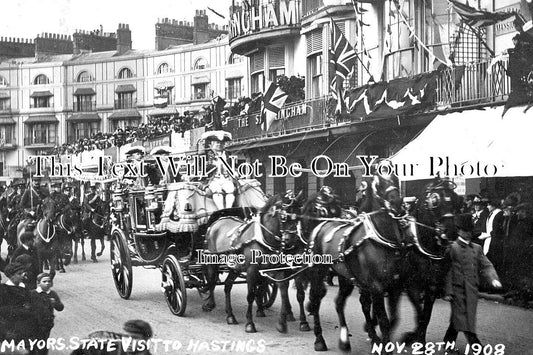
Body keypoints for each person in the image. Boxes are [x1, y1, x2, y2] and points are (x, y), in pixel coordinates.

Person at [443, 214, 502, 352]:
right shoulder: (452, 248)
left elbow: (486, 265)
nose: (469, 233)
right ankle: (477, 347)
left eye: (470, 231)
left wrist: (493, 278)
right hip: (457, 290)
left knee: (460, 319)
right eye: (465, 230)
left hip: (472, 290)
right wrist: (448, 291)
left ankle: (448, 342)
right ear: (459, 231)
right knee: (463, 318)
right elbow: (448, 271)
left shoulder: (477, 248)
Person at [0, 262, 39, 343]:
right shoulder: (3, 290)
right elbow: (3, 309)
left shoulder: (26, 288)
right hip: (11, 327)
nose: (23, 275)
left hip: (28, 326)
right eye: (19, 274)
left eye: (23, 273)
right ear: (11, 276)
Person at [30, 272, 64, 355]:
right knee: (33, 342)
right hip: (34, 323)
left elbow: (60, 308)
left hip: (47, 323)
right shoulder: (32, 294)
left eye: (49, 281)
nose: (47, 283)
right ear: (38, 283)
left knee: (44, 342)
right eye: (44, 281)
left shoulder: (52, 294)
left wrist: (55, 303)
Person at [203, 131, 235, 210]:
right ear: (211, 144)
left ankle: (228, 210)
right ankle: (221, 210)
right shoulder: (207, 155)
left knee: (230, 189)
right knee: (217, 191)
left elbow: (232, 167)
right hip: (213, 180)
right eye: (217, 142)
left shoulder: (228, 154)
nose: (219, 144)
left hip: (225, 179)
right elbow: (203, 170)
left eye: (221, 143)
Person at [478, 198, 505, 275]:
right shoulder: (491, 213)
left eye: (489, 205)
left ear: (494, 205)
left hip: (495, 241)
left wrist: (488, 235)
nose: (487, 206)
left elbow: (497, 229)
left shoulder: (499, 214)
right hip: (489, 239)